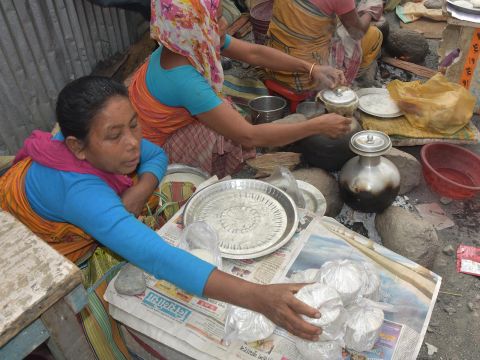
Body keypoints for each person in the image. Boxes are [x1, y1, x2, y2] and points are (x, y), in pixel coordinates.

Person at [0, 76, 323, 357]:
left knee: (165, 194)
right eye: (114, 136)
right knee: (98, 313)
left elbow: (154, 154)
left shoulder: (85, 147)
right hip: (28, 257)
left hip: (93, 211)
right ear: (77, 146)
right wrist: (258, 296)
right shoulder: (79, 192)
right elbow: (156, 255)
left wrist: (138, 192)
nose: (132, 145)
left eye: (133, 125)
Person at [129, 0, 352, 178]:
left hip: (151, 131)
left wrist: (311, 67)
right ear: (198, 27)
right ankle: (199, 175)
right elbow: (249, 136)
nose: (226, 22)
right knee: (225, 127)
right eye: (216, 19)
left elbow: (253, 53)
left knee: (225, 111)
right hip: (148, 155)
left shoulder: (181, 44)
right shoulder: (185, 80)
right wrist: (316, 125)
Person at [266, 0, 384, 91]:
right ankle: (347, 83)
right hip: (310, 77)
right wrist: (371, 11)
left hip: (272, 61)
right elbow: (357, 32)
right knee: (374, 35)